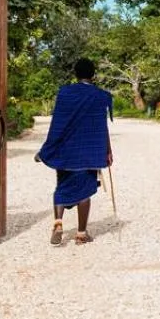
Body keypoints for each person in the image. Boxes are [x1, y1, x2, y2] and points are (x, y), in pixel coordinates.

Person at [35, 58, 113, 246]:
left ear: (75, 74)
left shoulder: (65, 93)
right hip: (89, 151)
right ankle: (81, 234)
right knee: (85, 191)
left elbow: (58, 124)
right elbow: (101, 126)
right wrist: (107, 151)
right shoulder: (100, 95)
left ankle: (58, 223)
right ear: (93, 74)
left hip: (65, 151)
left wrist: (46, 149)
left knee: (62, 187)